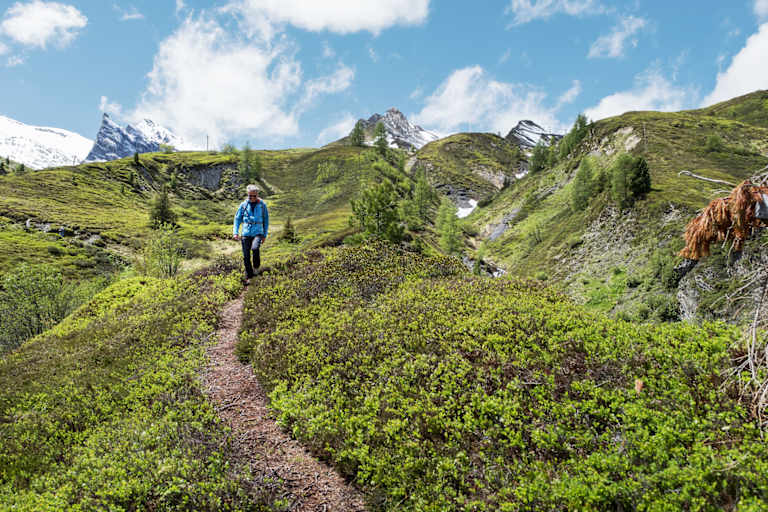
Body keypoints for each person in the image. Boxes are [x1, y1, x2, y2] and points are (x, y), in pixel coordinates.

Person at [233, 184, 269, 284]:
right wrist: (235, 232)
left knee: (255, 248)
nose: (252, 198)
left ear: (257, 195)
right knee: (246, 256)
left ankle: (256, 268)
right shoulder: (243, 205)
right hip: (245, 233)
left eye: (254, 196)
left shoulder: (262, 205)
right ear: (247, 195)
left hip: (258, 232)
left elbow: (266, 220)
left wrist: (264, 235)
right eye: (250, 196)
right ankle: (250, 276)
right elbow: (237, 219)